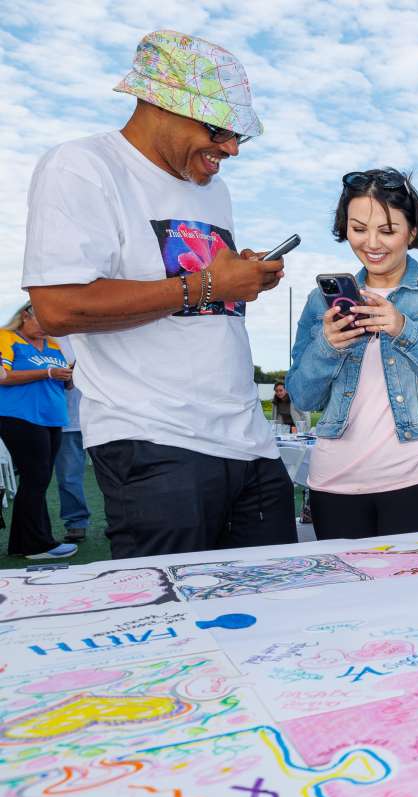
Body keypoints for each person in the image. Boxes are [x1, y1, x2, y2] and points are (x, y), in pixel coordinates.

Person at [22, 30, 297, 559]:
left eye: (241, 135)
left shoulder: (213, 189)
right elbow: (57, 307)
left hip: (249, 439)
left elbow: (195, 301)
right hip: (153, 439)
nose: (232, 148)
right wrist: (210, 285)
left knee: (272, 606)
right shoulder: (83, 166)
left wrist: (234, 280)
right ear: (161, 105)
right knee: (179, 623)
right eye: (219, 128)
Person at [287, 168, 418, 539]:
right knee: (348, 597)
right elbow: (302, 396)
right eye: (358, 229)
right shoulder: (321, 302)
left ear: (412, 231)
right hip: (335, 484)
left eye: (388, 230)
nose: (372, 243)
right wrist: (328, 346)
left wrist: (403, 329)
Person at [0, 303, 76, 560]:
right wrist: (48, 372)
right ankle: (36, 545)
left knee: (38, 480)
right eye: (42, 320)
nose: (47, 327)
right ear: (24, 315)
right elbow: (2, 376)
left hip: (52, 418)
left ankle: (24, 544)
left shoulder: (54, 345)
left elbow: (65, 385)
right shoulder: (6, 336)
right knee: (36, 478)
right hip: (19, 416)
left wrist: (67, 376)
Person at [53, 336, 91, 542]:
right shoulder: (49, 337)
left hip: (101, 415)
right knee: (68, 476)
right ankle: (76, 522)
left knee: (113, 473)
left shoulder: (93, 332)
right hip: (67, 419)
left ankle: (119, 520)